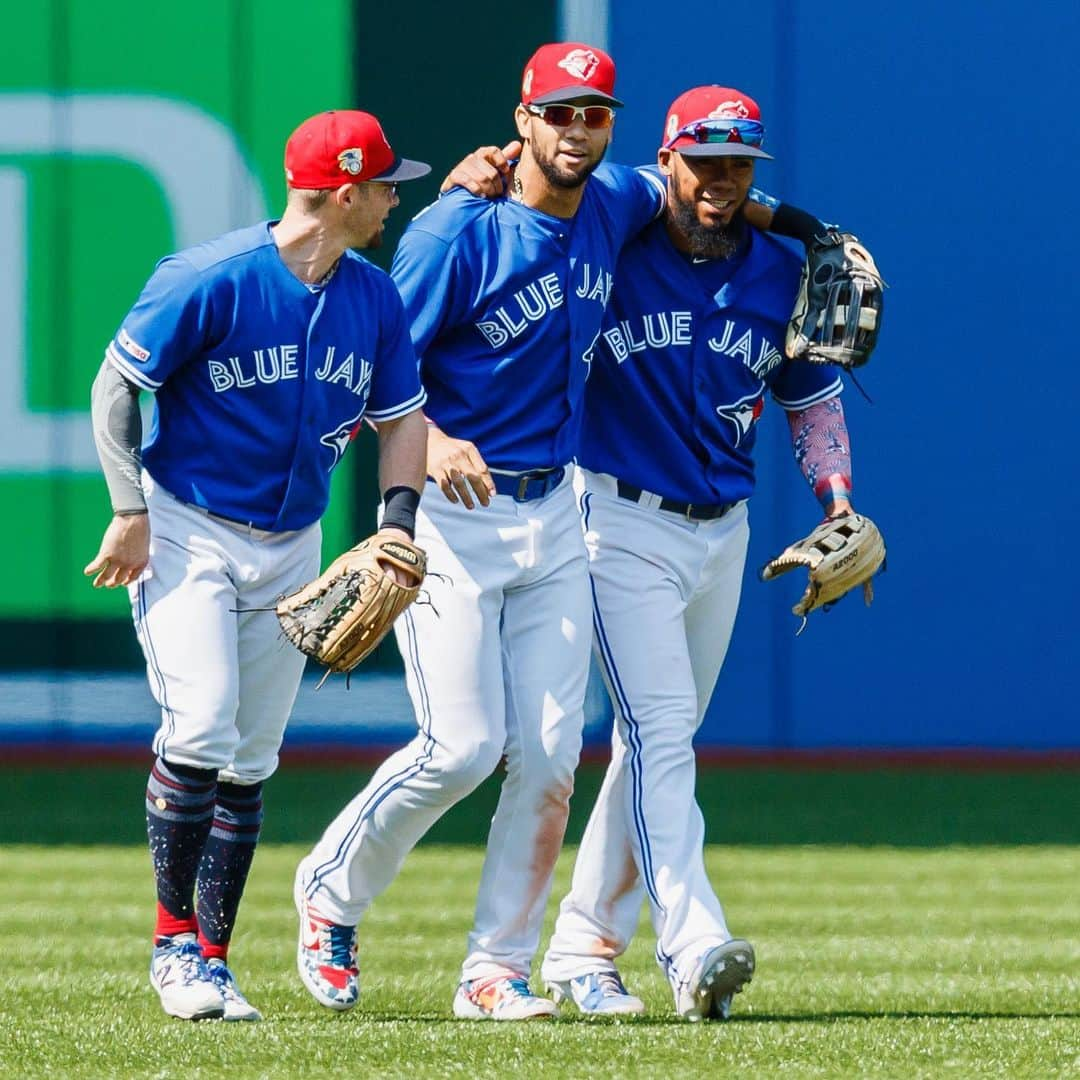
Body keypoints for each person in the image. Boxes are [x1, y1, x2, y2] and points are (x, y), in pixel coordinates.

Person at [294, 46, 839, 1021]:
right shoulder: (456, 230)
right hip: (460, 519)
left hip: (555, 512)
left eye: (594, 114)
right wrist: (435, 450)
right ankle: (329, 895)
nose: (576, 129)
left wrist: (802, 227)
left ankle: (495, 967)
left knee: (549, 763)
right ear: (525, 117)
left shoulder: (617, 204)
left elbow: (706, 193)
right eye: (559, 113)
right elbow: (384, 370)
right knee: (463, 746)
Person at [83, 109, 431, 1022]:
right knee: (199, 728)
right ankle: (171, 946)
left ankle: (214, 959)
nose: (396, 199)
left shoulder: (373, 296)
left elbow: (401, 422)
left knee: (249, 758)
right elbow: (118, 384)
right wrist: (128, 512)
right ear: (346, 191)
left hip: (294, 541)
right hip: (189, 526)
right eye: (386, 185)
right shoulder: (212, 278)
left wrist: (398, 523)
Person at [537, 85, 857, 1021]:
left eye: (739, 165)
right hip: (616, 519)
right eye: (703, 160)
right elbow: (550, 190)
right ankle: (693, 943)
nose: (721, 180)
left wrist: (839, 502)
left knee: (653, 749)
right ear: (666, 162)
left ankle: (585, 946)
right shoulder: (614, 241)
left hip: (724, 530)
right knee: (663, 732)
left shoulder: (777, 274)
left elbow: (810, 397)